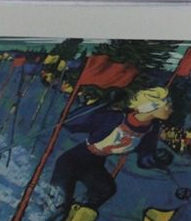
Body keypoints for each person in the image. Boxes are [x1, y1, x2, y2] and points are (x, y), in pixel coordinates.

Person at [49, 86, 177, 214]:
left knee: (105, 190)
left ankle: (78, 216)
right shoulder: (114, 118)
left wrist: (158, 159)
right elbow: (69, 122)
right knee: (58, 203)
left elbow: (144, 159)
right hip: (73, 161)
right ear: (152, 107)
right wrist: (102, 102)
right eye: (168, 106)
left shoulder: (151, 129)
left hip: (94, 164)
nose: (171, 110)